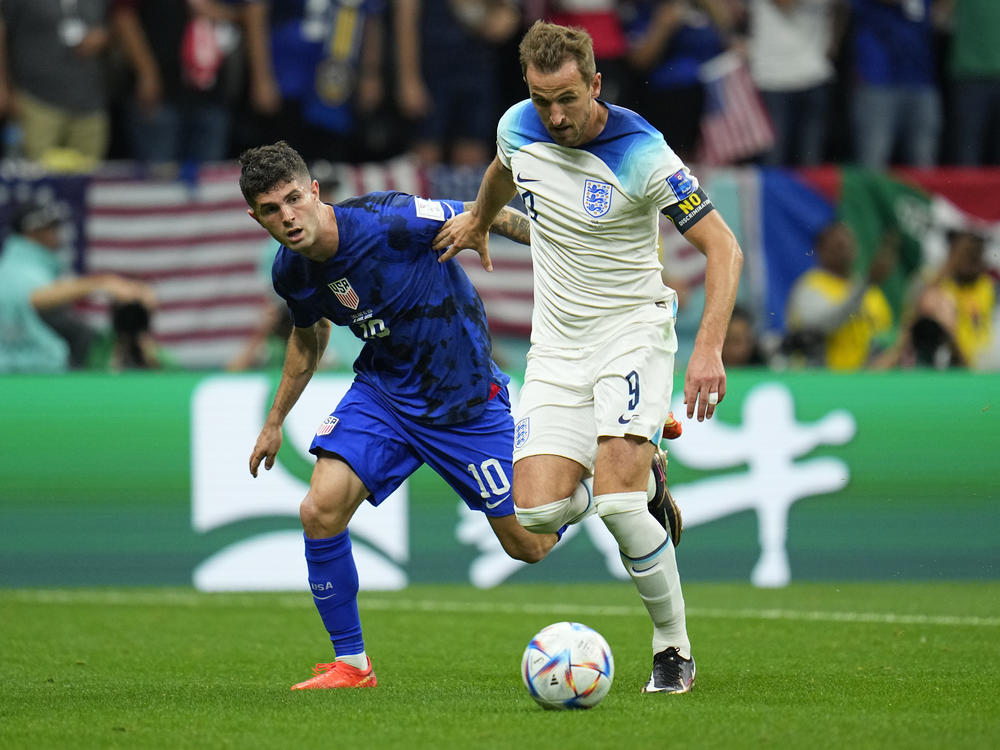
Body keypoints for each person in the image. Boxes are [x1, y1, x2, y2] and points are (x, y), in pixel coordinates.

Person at [433, 21, 743, 695]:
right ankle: (648, 479)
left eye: (568, 98)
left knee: (619, 506)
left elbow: (724, 248)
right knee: (537, 517)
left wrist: (708, 348)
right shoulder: (518, 127)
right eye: (543, 99)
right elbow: (501, 170)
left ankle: (672, 649)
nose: (555, 115)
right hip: (556, 349)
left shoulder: (644, 154)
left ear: (595, 84)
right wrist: (481, 218)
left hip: (632, 334)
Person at [240, 140, 593, 690]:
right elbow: (308, 340)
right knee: (320, 509)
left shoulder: (389, 219)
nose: (287, 217)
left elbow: (484, 214)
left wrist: (565, 248)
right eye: (270, 209)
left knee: (530, 545)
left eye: (292, 199)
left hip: (466, 403)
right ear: (255, 216)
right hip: (386, 396)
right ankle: (352, 666)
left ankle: (603, 480)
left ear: (313, 191)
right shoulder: (293, 273)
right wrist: (274, 421)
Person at [0, 196, 154, 372]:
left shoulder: (34, 266)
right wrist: (101, 283)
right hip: (21, 375)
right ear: (33, 231)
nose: (57, 233)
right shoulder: (15, 268)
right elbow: (34, 298)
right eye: (52, 227)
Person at [783, 221, 895, 370]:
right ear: (820, 250)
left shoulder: (873, 294)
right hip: (823, 383)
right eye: (838, 246)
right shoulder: (810, 286)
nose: (845, 251)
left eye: (848, 244)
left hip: (867, 383)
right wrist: (866, 284)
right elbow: (824, 324)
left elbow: (885, 339)